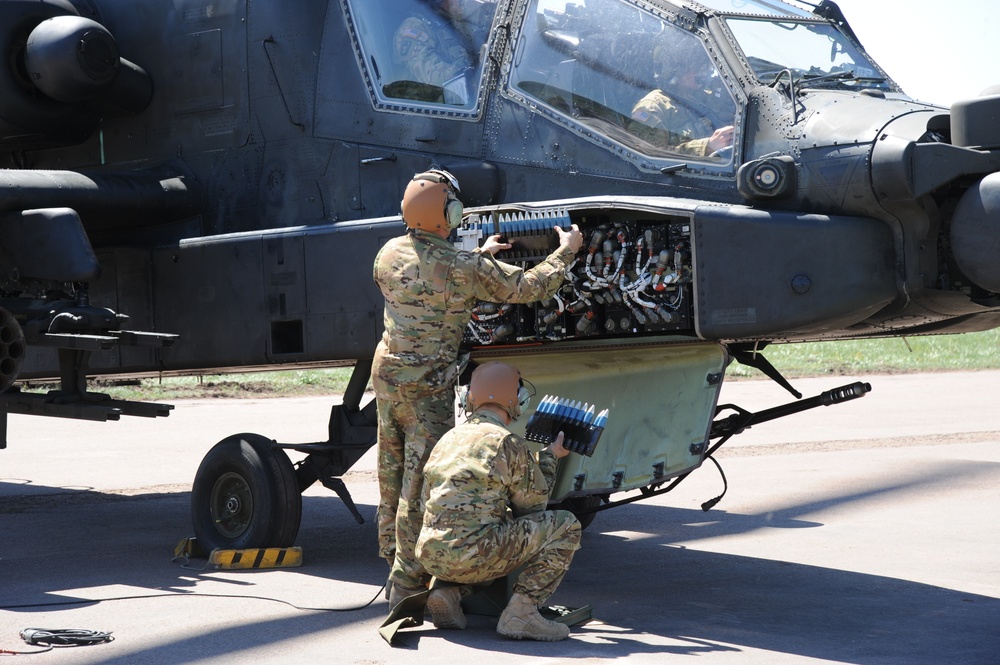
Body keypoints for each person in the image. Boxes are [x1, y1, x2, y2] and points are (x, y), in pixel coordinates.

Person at [372, 169, 583, 609]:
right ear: (448, 212)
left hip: (388, 377)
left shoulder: (388, 253)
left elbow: (432, 271)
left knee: (391, 476)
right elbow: (528, 286)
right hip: (427, 387)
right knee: (419, 483)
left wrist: (475, 257)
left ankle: (392, 557)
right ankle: (406, 585)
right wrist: (566, 252)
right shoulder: (464, 267)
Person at [416, 361, 582, 641]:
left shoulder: (448, 439)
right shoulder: (507, 442)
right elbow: (533, 508)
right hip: (476, 553)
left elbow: (426, 504)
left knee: (488, 531)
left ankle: (448, 591)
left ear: (470, 398)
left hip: (432, 555)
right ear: (513, 401)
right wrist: (550, 457)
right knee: (565, 525)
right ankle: (522, 613)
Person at [627, 36, 735, 158]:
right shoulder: (653, 106)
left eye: (704, 66)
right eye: (695, 67)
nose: (702, 72)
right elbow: (648, 155)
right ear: (674, 70)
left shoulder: (706, 98)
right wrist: (707, 147)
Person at [393, 0, 497, 88]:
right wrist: (477, 68)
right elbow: (435, 77)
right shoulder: (412, 29)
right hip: (438, 103)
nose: (461, 2)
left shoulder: (450, 22)